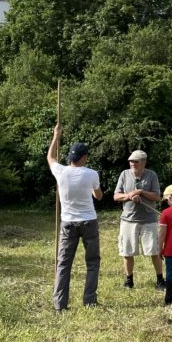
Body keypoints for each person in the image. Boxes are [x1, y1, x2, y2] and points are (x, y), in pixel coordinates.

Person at [47, 125, 103, 311]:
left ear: (71, 157)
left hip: (68, 223)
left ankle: (59, 305)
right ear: (84, 157)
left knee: (63, 264)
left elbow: (50, 157)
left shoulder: (61, 172)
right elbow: (99, 196)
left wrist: (56, 136)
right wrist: (93, 191)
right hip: (89, 221)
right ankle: (89, 301)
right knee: (92, 262)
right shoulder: (92, 174)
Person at [112, 150, 165, 291]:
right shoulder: (124, 174)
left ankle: (160, 280)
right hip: (128, 220)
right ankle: (129, 281)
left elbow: (157, 197)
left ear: (143, 162)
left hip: (149, 219)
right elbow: (116, 196)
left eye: (136, 161)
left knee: (154, 250)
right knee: (127, 252)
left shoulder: (151, 175)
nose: (132, 164)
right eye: (131, 161)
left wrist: (141, 192)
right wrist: (130, 196)